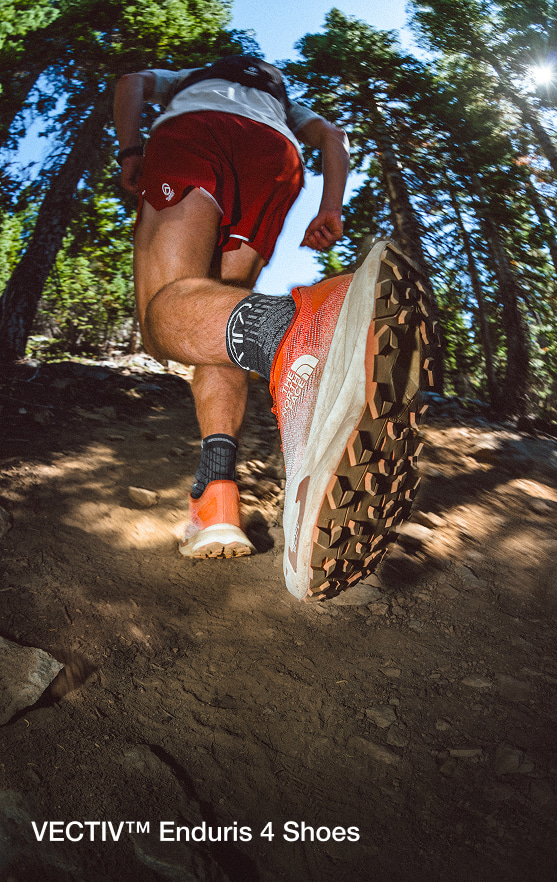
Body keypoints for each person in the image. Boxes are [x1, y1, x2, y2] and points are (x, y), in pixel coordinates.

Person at [114, 55, 430, 601]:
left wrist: (131, 150)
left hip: (193, 132)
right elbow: (332, 136)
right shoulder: (282, 102)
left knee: (164, 315)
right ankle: (215, 497)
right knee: (216, 324)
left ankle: (305, 328)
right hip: (275, 157)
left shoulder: (190, 80)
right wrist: (330, 207)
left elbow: (130, 82)